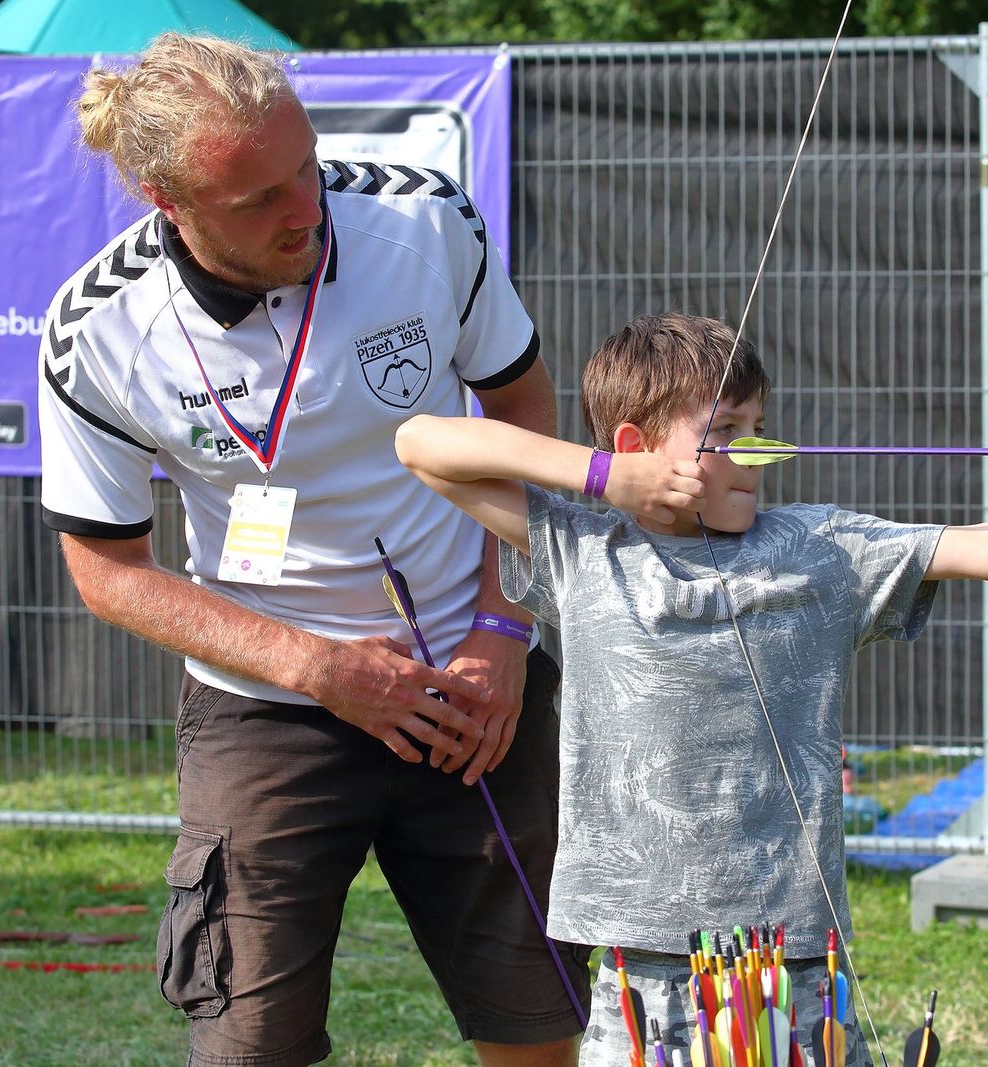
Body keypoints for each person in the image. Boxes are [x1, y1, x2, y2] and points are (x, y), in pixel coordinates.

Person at [393, 312, 988, 1066]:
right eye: (726, 431)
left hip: (791, 952)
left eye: (758, 427)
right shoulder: (582, 552)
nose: (754, 455)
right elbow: (422, 444)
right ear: (635, 447)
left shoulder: (822, 550)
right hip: (641, 957)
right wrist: (602, 478)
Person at [37, 33, 588, 1067]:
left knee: (537, 1015)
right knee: (249, 1041)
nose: (305, 208)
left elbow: (518, 404)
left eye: (305, 165)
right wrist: (320, 670)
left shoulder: (423, 218)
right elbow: (107, 569)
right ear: (168, 201)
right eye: (257, 199)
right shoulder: (96, 331)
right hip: (266, 708)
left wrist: (505, 623)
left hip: (472, 677)